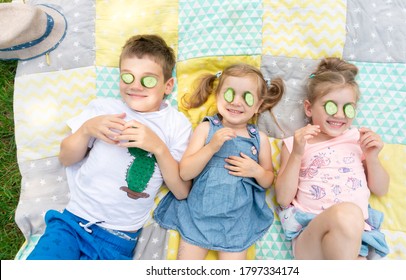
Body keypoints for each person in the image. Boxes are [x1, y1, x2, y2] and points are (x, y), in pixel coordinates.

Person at [27, 34, 192, 260]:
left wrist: (159, 148)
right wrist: (86, 129)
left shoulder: (177, 124)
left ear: (168, 85)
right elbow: (66, 158)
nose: (135, 86)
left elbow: (182, 191)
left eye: (148, 80)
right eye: (127, 77)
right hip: (71, 224)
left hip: (118, 239)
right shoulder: (103, 108)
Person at [154, 63, 285, 259]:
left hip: (238, 220)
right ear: (217, 97)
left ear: (257, 106)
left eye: (247, 97)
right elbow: (185, 172)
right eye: (230, 94)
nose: (237, 102)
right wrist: (211, 147)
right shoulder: (206, 129)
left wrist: (255, 170)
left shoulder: (259, 138)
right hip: (199, 214)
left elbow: (267, 180)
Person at [274, 57, 390, 260]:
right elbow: (283, 198)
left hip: (356, 241)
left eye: (348, 108)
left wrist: (372, 157)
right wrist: (297, 154)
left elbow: (381, 189)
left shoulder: (356, 139)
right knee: (349, 213)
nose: (339, 114)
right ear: (309, 108)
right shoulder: (298, 143)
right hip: (311, 237)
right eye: (330, 106)